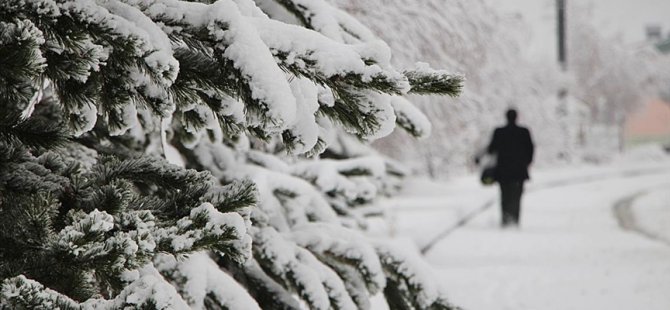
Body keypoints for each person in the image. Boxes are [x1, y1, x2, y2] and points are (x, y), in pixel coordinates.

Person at [486, 108, 534, 227]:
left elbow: (491, 149)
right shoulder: (524, 132)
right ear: (516, 117)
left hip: (503, 171)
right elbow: (530, 149)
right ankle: (515, 220)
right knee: (517, 196)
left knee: (504, 196)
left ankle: (505, 219)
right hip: (519, 171)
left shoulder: (499, 132)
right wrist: (526, 162)